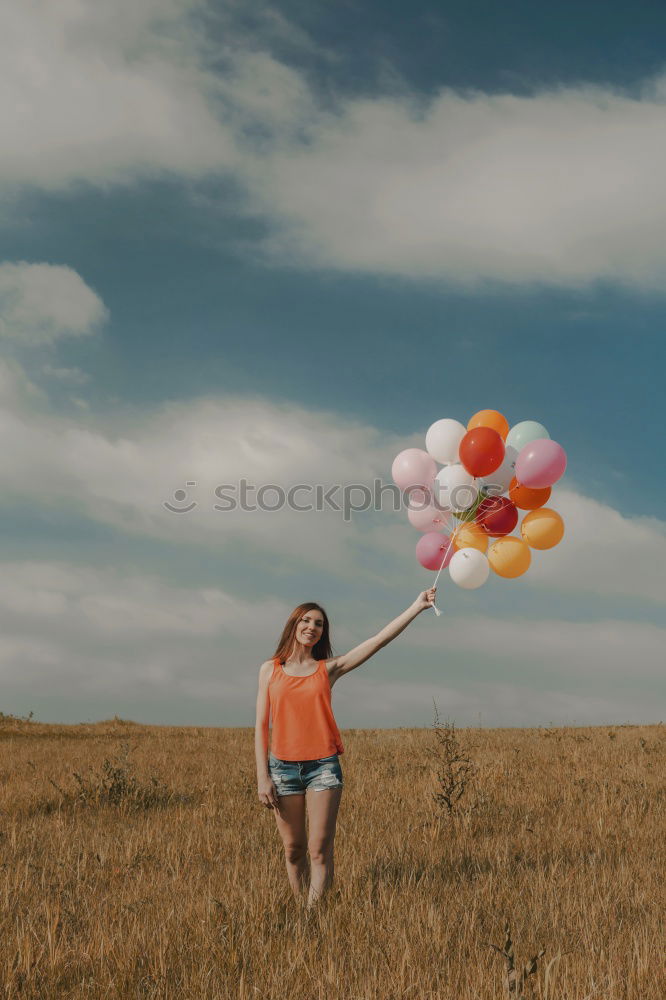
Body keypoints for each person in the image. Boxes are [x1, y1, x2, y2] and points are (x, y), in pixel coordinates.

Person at [254, 587, 437, 910]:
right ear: (294, 625)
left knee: (319, 848)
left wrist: (416, 606)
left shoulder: (329, 669)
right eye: (306, 620)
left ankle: (314, 915)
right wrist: (262, 777)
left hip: (323, 767)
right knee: (293, 849)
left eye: (320, 624)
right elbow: (260, 726)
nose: (312, 627)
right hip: (281, 768)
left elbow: (377, 641)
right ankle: (299, 907)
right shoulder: (270, 670)